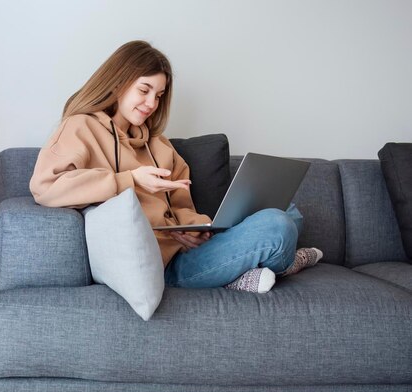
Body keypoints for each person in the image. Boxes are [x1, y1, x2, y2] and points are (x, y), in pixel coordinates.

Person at [30, 40, 322, 293]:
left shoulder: (158, 144)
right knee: (276, 225)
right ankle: (260, 267)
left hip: (187, 250)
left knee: (288, 211)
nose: (151, 103)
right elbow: (46, 188)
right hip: (164, 267)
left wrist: (192, 229)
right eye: (144, 90)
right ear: (118, 83)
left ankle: (235, 270)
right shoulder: (80, 127)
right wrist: (129, 179)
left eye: (158, 95)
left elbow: (182, 204)